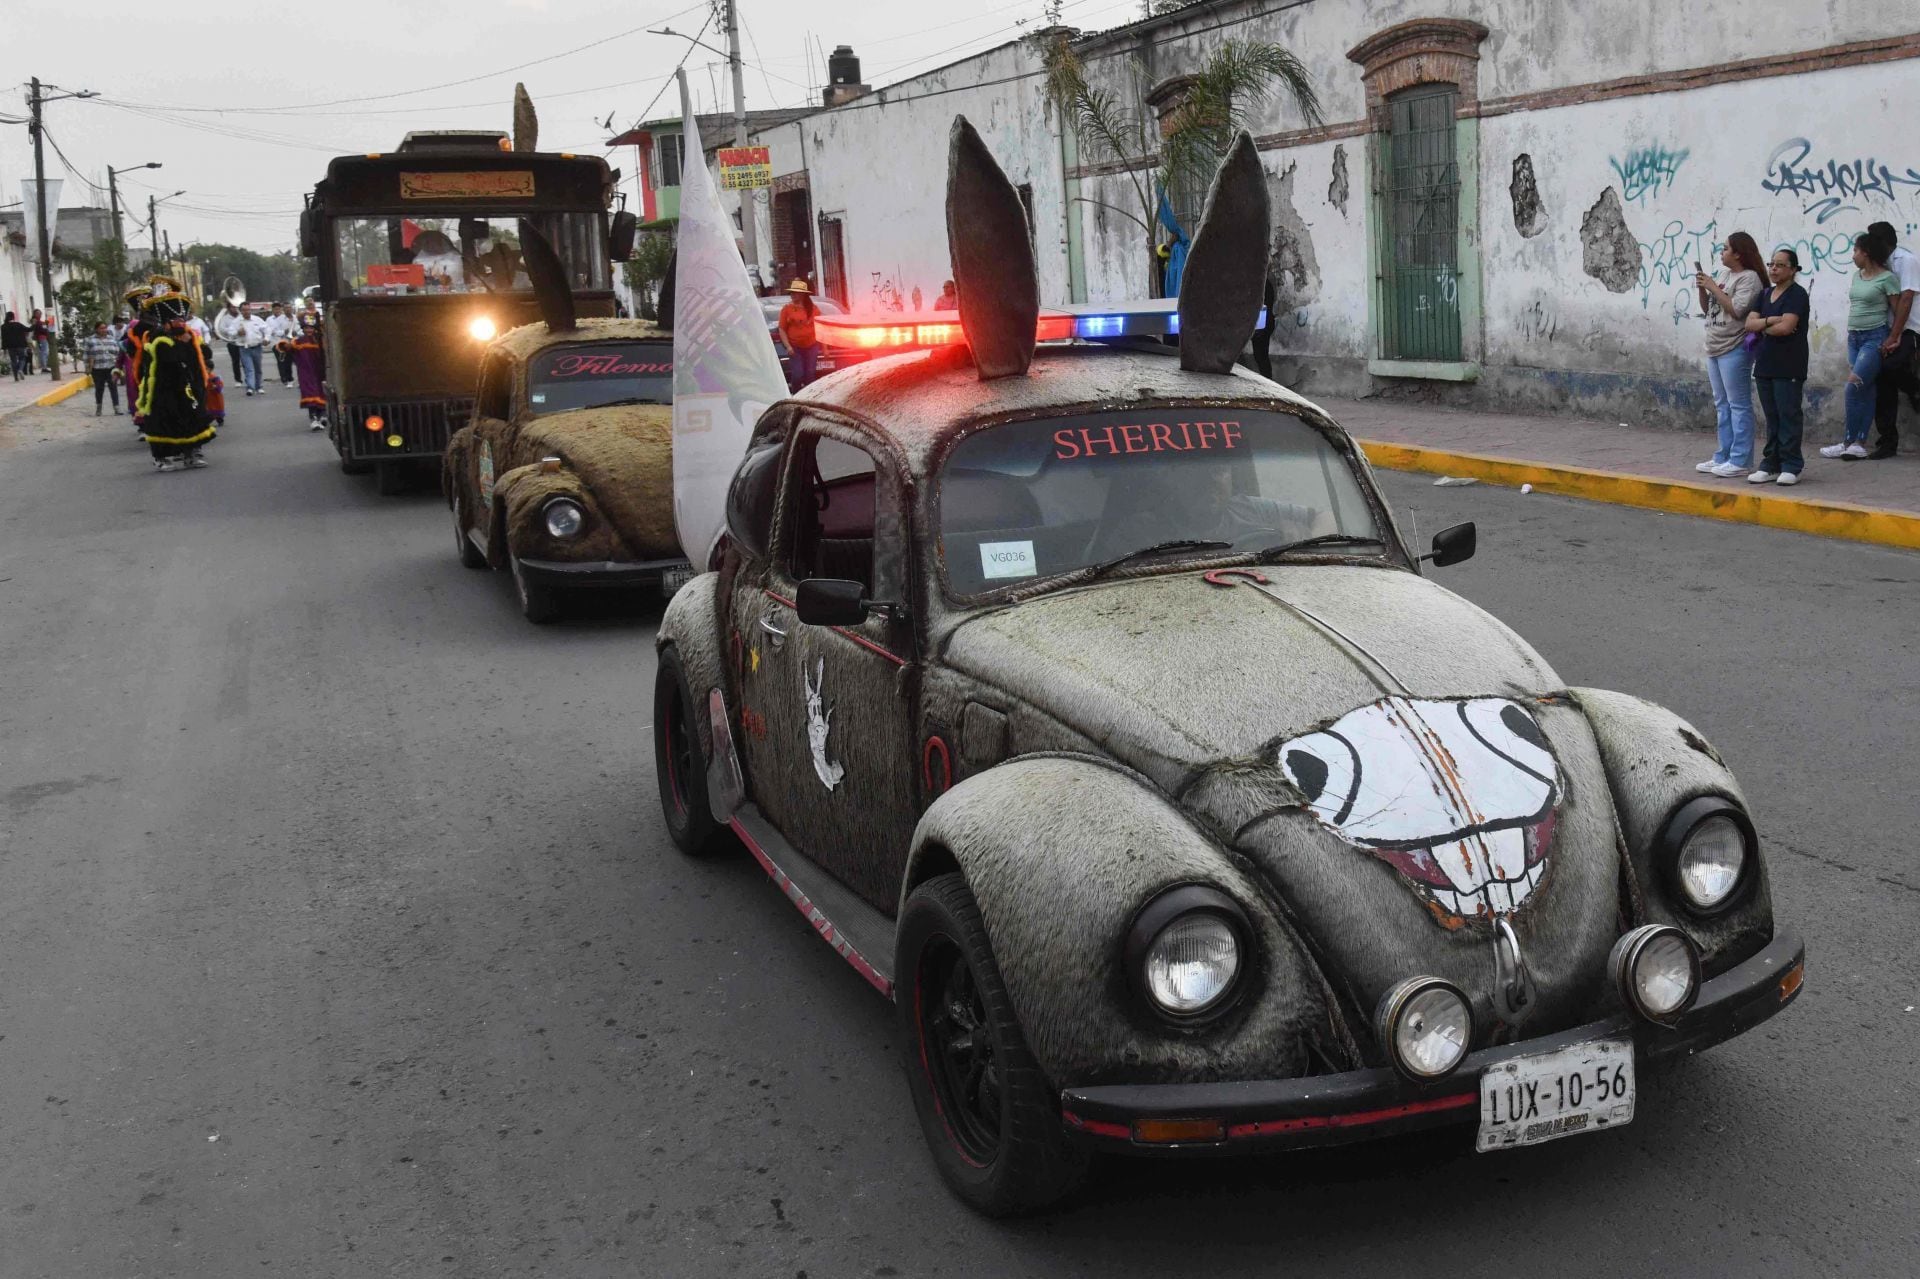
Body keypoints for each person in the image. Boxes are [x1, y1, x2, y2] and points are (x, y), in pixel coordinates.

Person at [1692, 232, 1766, 478]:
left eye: (1725, 249)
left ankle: (1741, 459)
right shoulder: (1724, 275)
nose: (1721, 253)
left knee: (1738, 404)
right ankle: (1723, 455)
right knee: (1721, 404)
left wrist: (1713, 286)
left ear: (1738, 253)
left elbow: (1737, 310)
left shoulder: (1750, 278)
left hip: (1734, 347)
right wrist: (1704, 289)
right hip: (1713, 344)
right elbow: (1709, 309)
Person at [1823, 233, 1901, 461]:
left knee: (1853, 388)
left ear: (1866, 253)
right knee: (1865, 389)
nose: (1853, 255)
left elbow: (1898, 312)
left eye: (1855, 250)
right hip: (1854, 337)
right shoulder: (1858, 276)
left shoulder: (1887, 278)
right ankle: (1857, 443)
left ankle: (1850, 440)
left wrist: (1894, 338)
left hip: (1874, 338)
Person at [1744, 248, 1810, 485]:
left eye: (1780, 265)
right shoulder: (1764, 295)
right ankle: (1771, 463)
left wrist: (1764, 326)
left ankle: (1791, 464)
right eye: (1772, 264)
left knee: (1788, 414)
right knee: (1772, 416)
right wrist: (1771, 320)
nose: (1773, 269)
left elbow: (1787, 327)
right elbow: (1749, 324)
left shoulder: (1797, 294)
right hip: (1765, 362)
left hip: (1789, 363)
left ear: (1793, 269)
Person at [134, 281, 215, 471]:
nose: (181, 323)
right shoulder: (157, 338)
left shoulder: (191, 336)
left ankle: (192, 454)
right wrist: (185, 345)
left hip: (189, 387)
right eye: (177, 320)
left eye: (182, 319)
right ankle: (163, 458)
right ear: (167, 323)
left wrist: (192, 344)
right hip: (164, 389)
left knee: (193, 418)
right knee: (165, 421)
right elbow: (171, 361)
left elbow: (206, 354)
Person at [1866, 220, 1917, 458]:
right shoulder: (1879, 265)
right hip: (1887, 328)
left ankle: (1916, 390)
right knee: (1882, 378)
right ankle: (1887, 441)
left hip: (1910, 329)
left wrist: (1895, 336)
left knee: (1892, 366)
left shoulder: (1905, 260)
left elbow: (1906, 299)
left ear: (1884, 242)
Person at [282, 316, 327, 429]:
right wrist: (284, 345)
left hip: (321, 372)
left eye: (311, 328)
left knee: (322, 393)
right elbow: (285, 347)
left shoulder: (322, 340)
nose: (309, 330)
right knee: (311, 394)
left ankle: (322, 415)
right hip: (306, 373)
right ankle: (313, 419)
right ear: (303, 329)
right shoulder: (298, 341)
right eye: (306, 328)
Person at [777, 279, 822, 390]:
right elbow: (782, 329)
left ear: (802, 295)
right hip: (795, 347)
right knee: (797, 374)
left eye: (795, 293)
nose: (792, 295)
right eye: (791, 293)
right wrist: (788, 346)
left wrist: (825, 348)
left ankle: (809, 397)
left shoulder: (814, 309)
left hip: (812, 345)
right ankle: (796, 394)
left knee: (810, 374)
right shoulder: (787, 309)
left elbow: (820, 328)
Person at [81, 320, 123, 416]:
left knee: (113, 387)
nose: (104, 330)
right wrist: (87, 367)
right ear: (96, 329)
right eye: (101, 328)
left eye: (105, 327)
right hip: (97, 369)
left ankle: (117, 408)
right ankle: (99, 408)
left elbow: (117, 352)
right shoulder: (90, 340)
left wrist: (119, 366)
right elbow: (86, 355)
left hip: (110, 367)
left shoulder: (111, 339)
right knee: (99, 389)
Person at [213, 299, 247, 384]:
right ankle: (238, 380)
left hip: (243, 342)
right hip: (232, 342)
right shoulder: (225, 318)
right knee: (235, 361)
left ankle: (248, 378)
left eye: (236, 307)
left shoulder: (242, 316)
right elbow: (222, 329)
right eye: (233, 307)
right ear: (228, 308)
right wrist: (234, 330)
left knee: (245, 361)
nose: (235, 309)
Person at [1, 311, 28, 380]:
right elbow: (28, 329)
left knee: (13, 361)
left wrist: (4, 349)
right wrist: (34, 324)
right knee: (22, 358)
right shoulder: (18, 324)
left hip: (10, 346)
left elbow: (3, 338)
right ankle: (20, 369)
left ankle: (16, 377)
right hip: (20, 345)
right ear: (13, 317)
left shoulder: (3, 327)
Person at [28, 309, 52, 373]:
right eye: (38, 313)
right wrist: (46, 328)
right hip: (41, 338)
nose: (40, 314)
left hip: (42, 338)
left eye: (40, 313)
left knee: (44, 352)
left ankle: (44, 367)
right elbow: (41, 329)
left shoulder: (39, 321)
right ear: (35, 314)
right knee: (44, 353)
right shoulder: (36, 321)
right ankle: (44, 367)